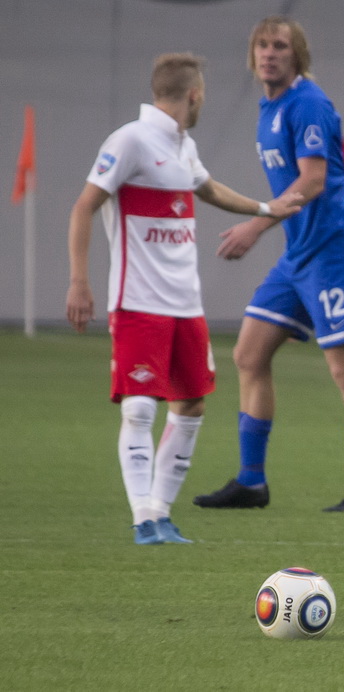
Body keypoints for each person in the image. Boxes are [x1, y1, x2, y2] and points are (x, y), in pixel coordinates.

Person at [66, 52, 301, 545]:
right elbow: (86, 206)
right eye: (203, 95)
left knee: (191, 402)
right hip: (138, 302)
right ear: (193, 95)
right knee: (139, 407)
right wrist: (79, 281)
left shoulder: (182, 145)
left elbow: (208, 188)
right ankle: (141, 518)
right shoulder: (129, 140)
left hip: (184, 304)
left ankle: (159, 511)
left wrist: (266, 208)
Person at [192, 16, 344, 513]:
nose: (268, 53)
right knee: (248, 356)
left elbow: (314, 180)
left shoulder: (307, 104)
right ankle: (251, 482)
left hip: (332, 251)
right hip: (298, 254)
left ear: (296, 54)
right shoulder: (270, 107)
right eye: (262, 44)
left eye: (280, 45)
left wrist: (257, 222)